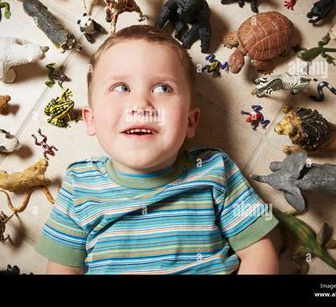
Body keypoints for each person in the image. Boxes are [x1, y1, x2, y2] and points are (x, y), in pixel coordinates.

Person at [35, 25, 279, 274]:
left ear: (190, 122)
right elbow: (63, 268)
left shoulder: (214, 168)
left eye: (163, 88)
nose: (140, 104)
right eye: (121, 87)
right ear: (91, 120)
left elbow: (258, 250)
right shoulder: (80, 183)